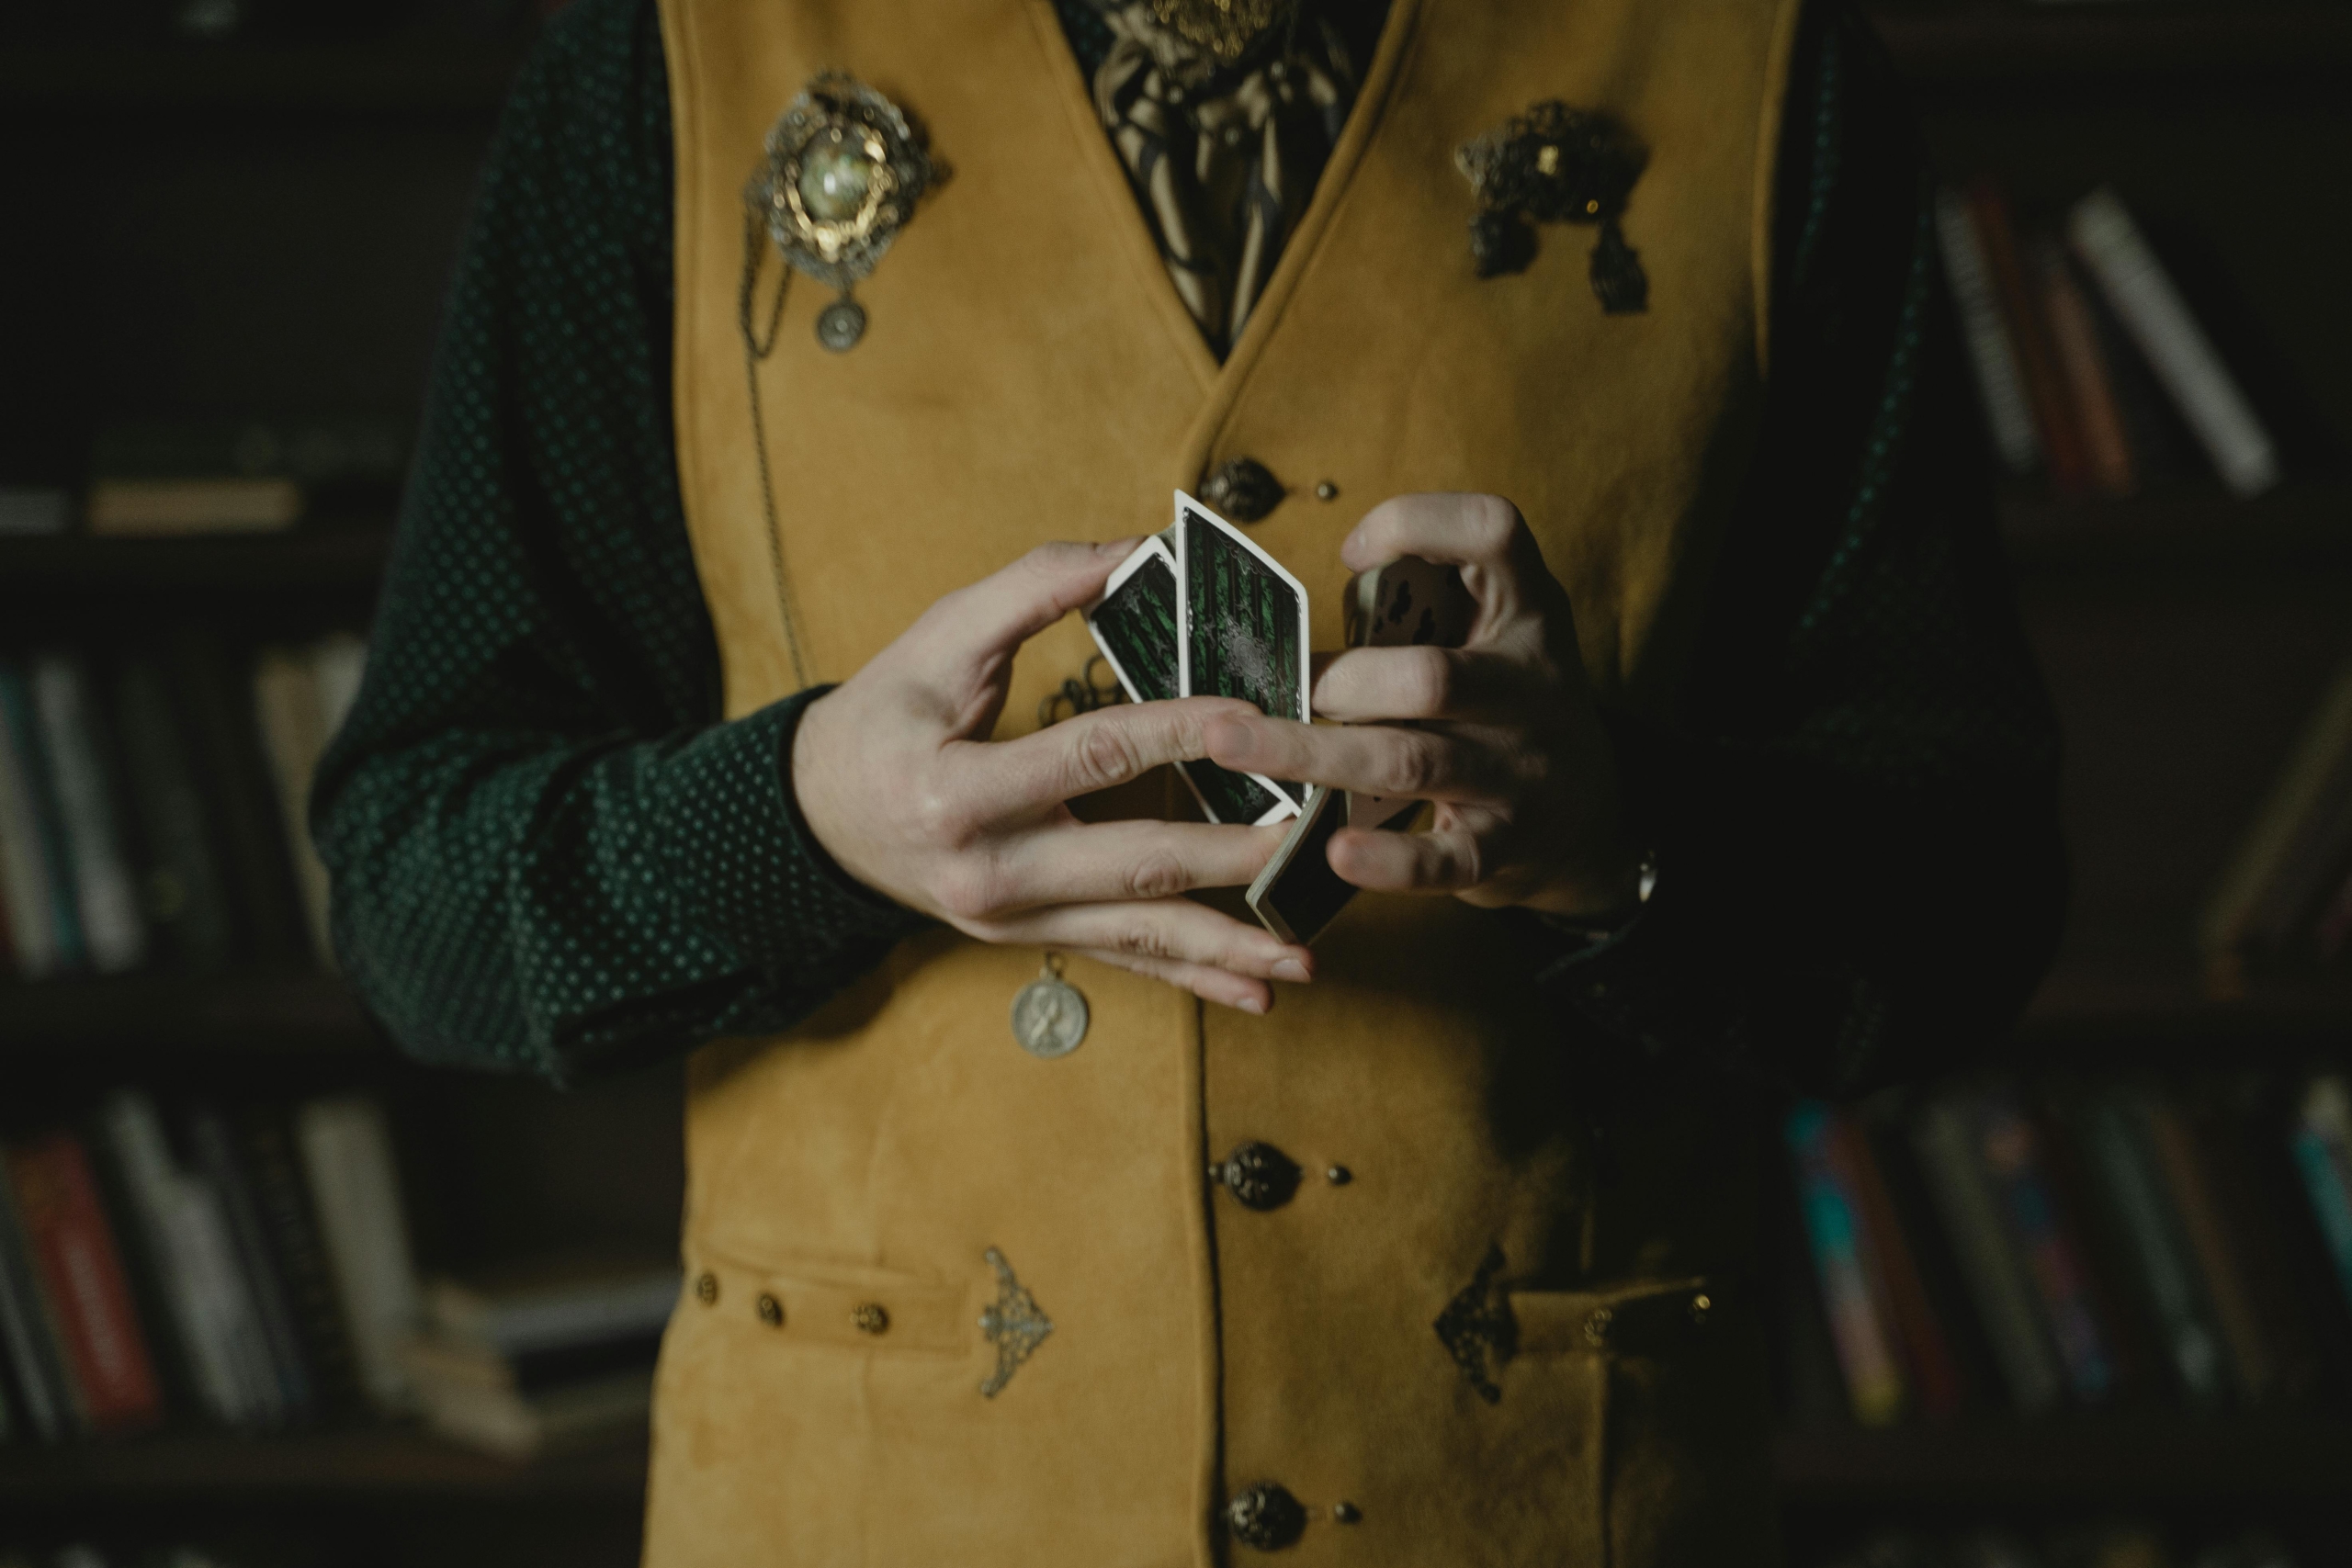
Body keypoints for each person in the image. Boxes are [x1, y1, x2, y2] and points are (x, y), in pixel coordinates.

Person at [315, 0, 2065, 1560]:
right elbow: (412, 886)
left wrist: (1626, 837)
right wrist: (802, 825)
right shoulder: (664, 63)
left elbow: (1977, 890)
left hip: (1538, 1507)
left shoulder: (1762, 68)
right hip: (872, 1511)